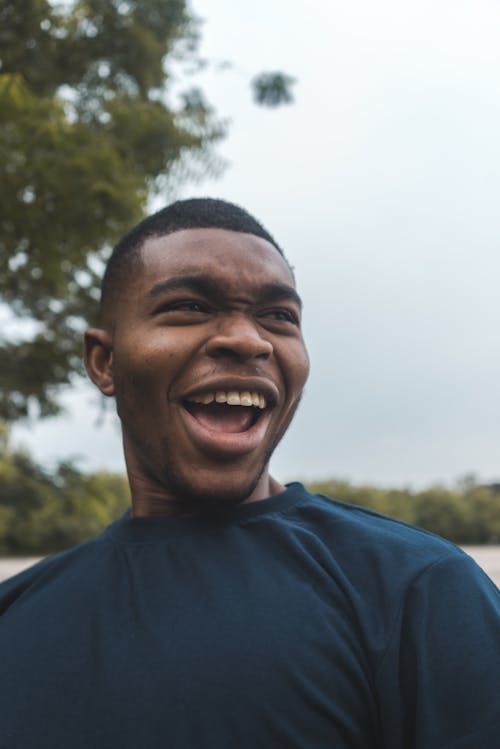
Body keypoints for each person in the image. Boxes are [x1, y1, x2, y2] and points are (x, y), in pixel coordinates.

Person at [0, 198, 499, 748]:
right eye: (189, 306)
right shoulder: (17, 614)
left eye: (279, 317)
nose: (248, 340)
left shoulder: (418, 590)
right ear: (104, 361)